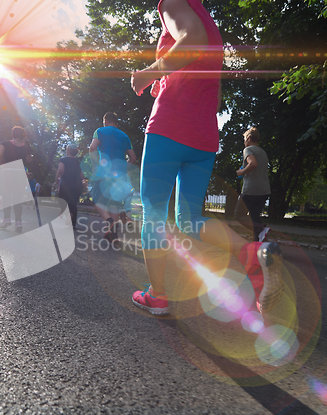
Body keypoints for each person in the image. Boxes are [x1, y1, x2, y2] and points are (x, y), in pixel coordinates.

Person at [130, 0, 283, 315]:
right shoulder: (208, 20)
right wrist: (166, 82)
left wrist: (149, 73)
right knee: (189, 221)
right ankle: (254, 255)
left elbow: (192, 40)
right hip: (202, 136)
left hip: (169, 129)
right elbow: (210, 89)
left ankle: (157, 295)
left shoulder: (172, 3)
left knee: (154, 214)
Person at [89, 112, 137, 242]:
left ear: (105, 121)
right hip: (120, 174)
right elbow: (133, 158)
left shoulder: (100, 131)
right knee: (114, 203)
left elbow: (92, 148)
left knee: (95, 199)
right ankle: (113, 233)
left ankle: (110, 221)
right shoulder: (125, 136)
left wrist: (94, 166)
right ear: (116, 123)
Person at [234, 127, 271, 242]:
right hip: (264, 190)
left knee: (238, 215)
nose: (244, 142)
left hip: (251, 190)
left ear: (249, 138)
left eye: (245, 139)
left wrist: (241, 172)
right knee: (254, 217)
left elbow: (253, 163)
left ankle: (261, 229)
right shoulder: (263, 152)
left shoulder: (248, 149)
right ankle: (260, 244)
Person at [0, 126, 33, 232]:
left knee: (6, 195)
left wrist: (2, 161)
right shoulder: (26, 147)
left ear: (13, 134)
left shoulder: (4, 143)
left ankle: (6, 219)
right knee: (18, 198)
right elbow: (29, 160)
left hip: (8, 171)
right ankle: (18, 222)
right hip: (20, 173)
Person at [54, 143, 85, 229]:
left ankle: (66, 215)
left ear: (67, 150)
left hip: (65, 184)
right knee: (73, 203)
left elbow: (61, 170)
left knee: (62, 201)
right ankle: (73, 223)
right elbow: (82, 175)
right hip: (76, 186)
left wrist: (56, 179)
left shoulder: (63, 160)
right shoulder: (78, 162)